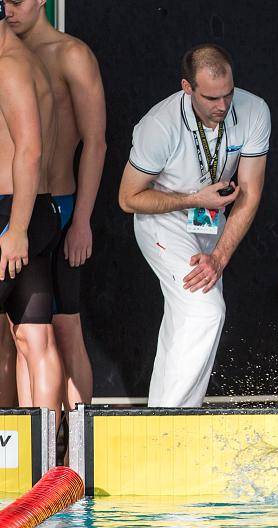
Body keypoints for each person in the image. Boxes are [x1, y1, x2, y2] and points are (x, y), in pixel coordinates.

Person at [118, 43, 270, 407]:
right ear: (188, 88)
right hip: (163, 220)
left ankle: (166, 413)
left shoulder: (254, 111)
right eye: (212, 97)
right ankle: (171, 424)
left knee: (184, 322)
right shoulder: (160, 125)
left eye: (228, 94)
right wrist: (193, 199)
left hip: (210, 222)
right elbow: (128, 199)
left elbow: (250, 192)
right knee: (206, 309)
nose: (223, 105)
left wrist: (218, 257)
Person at [4, 0, 106, 413]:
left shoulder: (70, 55)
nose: (10, 9)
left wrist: (81, 218)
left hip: (56, 207)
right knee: (24, 333)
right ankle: (31, 445)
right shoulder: (15, 57)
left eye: (18, 1)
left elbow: (95, 142)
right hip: (22, 208)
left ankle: (72, 445)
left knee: (65, 327)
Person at [0, 0, 65, 423]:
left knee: (35, 340)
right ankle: (39, 460)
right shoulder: (23, 60)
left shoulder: (10, 66)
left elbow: (30, 149)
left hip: (13, 215)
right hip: (30, 211)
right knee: (33, 336)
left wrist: (16, 228)